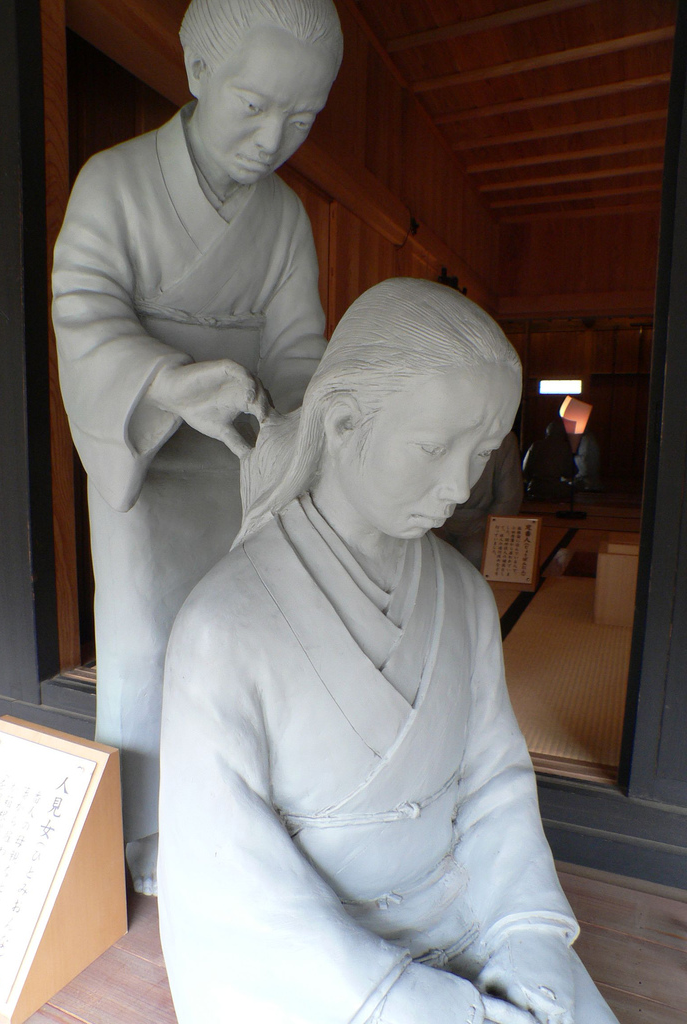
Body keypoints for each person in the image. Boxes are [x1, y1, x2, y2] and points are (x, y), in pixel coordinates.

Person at [158, 279, 619, 1024]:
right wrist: (412, 1004)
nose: (461, 485)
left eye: (480, 453)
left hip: (465, 916)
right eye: (436, 448)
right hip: (322, 973)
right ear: (342, 422)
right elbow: (231, 888)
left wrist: (527, 933)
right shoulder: (222, 627)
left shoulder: (462, 596)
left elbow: (495, 781)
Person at [52, 0, 343, 893]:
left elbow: (298, 350)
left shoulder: (285, 218)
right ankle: (142, 836)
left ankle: (236, 814)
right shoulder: (114, 181)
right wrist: (172, 383)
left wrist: (296, 432)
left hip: (246, 461)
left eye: (299, 120)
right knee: (143, 639)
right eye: (254, 104)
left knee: (251, 635)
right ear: (199, 70)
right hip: (145, 454)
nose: (271, 139)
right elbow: (84, 308)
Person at [435, 431, 523, 568]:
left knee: (477, 552)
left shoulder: (503, 438)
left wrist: (490, 523)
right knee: (430, 553)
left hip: (481, 520)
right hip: (438, 518)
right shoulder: (439, 431)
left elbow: (509, 496)